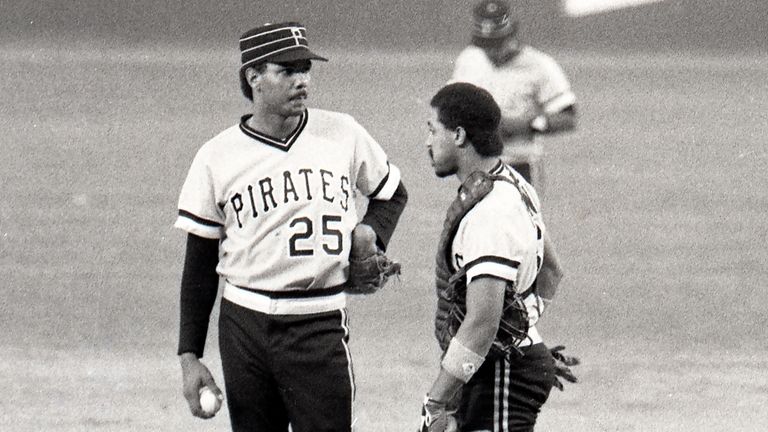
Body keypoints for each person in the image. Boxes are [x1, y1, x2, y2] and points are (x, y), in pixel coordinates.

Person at [173, 22, 408, 432]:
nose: (302, 80)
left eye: (306, 69)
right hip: (244, 324)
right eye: (287, 70)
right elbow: (199, 263)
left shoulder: (343, 133)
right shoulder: (216, 156)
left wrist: (370, 233)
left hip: (320, 323)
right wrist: (189, 356)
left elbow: (392, 193)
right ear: (254, 78)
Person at [418, 82, 571, 432]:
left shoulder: (490, 212)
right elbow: (551, 271)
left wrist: (435, 400)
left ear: (458, 135)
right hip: (498, 367)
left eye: (432, 130)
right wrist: (523, 332)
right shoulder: (513, 183)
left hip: (500, 373)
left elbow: (482, 322)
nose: (427, 142)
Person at [450, 0, 578, 189]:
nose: (491, 51)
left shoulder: (538, 66)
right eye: (485, 44)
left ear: (511, 35)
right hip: (476, 166)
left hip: (520, 165)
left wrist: (524, 125)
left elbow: (567, 117)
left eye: (497, 43)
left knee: (519, 218)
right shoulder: (468, 60)